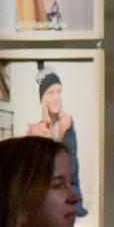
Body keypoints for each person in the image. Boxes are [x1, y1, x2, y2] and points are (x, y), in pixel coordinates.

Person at [22, 70, 81, 210]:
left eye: (59, 91)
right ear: (43, 99)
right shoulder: (39, 128)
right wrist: (29, 138)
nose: (56, 97)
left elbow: (69, 164)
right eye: (50, 93)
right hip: (44, 195)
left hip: (69, 193)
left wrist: (56, 136)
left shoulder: (67, 122)